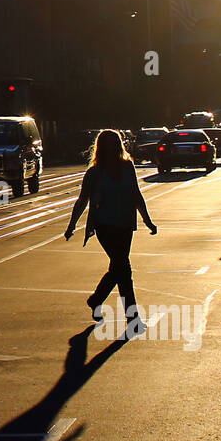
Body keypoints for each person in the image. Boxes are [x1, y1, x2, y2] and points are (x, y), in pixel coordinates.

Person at [64, 128, 157, 332]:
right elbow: (82, 200)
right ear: (101, 148)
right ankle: (133, 319)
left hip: (125, 223)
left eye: (114, 144)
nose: (111, 148)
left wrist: (147, 220)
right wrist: (72, 225)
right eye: (108, 145)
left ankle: (97, 299)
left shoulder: (127, 167)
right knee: (123, 268)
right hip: (105, 225)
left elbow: (136, 194)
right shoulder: (94, 173)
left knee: (118, 267)